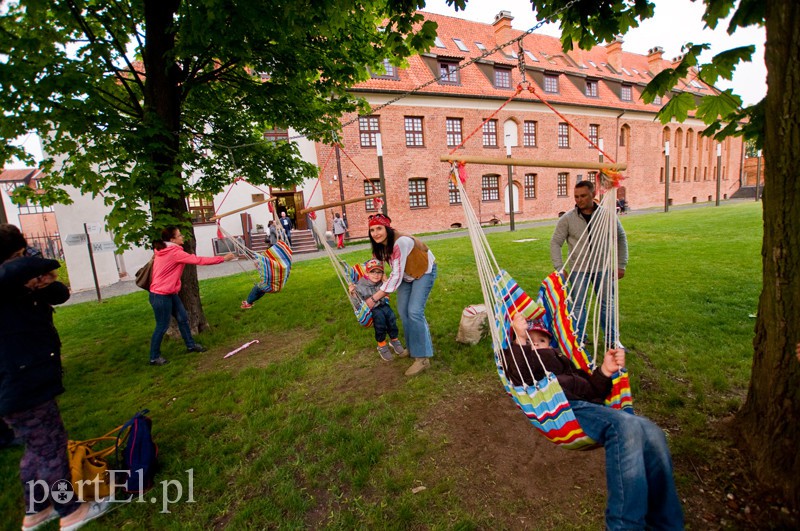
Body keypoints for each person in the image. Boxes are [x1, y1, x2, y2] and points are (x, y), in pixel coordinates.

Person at [503, 314, 684, 530]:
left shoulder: (563, 362)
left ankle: (666, 525)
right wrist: (520, 341)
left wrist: (605, 371)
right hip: (560, 408)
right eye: (530, 340)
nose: (536, 345)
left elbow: (592, 391)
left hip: (590, 405)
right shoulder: (525, 359)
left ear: (551, 345)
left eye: (541, 340)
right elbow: (519, 377)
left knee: (652, 431)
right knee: (626, 427)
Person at [0, 224, 111, 530]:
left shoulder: (17, 288)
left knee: (37, 450)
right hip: (21, 386)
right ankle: (71, 510)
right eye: (21, 254)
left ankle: (37, 509)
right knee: (51, 450)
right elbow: (29, 267)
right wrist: (30, 267)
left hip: (26, 383)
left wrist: (40, 280)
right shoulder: (6, 282)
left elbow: (59, 292)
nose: (26, 260)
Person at [550, 180, 628, 347]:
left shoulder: (607, 216)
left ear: (593, 194)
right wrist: (560, 268)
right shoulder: (567, 219)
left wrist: (621, 264)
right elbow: (555, 243)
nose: (579, 200)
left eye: (583, 196)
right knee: (578, 306)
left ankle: (612, 341)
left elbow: (621, 238)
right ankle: (578, 340)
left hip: (603, 268)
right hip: (578, 270)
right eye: (576, 196)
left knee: (608, 305)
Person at [148, 226, 234, 365]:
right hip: (160, 295)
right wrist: (223, 258)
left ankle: (190, 345)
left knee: (183, 318)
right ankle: (154, 357)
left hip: (170, 293)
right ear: (172, 240)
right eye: (179, 235)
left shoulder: (164, 250)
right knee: (162, 326)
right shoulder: (174, 253)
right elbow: (199, 260)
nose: (182, 237)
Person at [365, 213, 437, 376]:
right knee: (404, 312)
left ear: (387, 228)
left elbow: (396, 276)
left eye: (379, 229)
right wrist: (358, 283)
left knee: (415, 312)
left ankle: (422, 358)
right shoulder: (380, 245)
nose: (375, 233)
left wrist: (375, 297)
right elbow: (377, 266)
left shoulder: (400, 242)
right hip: (406, 274)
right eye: (372, 230)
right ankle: (412, 348)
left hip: (423, 271)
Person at [348, 259, 405, 361]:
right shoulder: (360, 286)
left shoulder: (381, 282)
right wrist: (353, 294)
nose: (376, 275)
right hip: (371, 309)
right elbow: (357, 305)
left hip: (383, 305)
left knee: (391, 318)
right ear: (367, 273)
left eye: (379, 272)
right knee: (380, 322)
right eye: (373, 272)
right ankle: (381, 345)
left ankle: (394, 340)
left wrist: (386, 281)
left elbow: (389, 290)